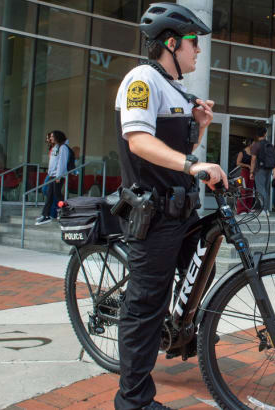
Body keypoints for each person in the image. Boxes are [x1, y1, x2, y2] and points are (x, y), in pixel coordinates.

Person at [112, 4, 226, 409]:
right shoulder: (141, 80)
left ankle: (179, 332)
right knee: (145, 305)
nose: (198, 50)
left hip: (181, 210)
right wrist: (196, 164)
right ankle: (133, 400)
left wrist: (200, 131)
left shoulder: (175, 89)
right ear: (172, 43)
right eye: (194, 42)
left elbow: (174, 153)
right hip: (153, 214)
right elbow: (139, 143)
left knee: (199, 273)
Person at [36, 130, 70, 225]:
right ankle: (46, 215)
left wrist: (58, 176)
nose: (50, 138)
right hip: (52, 175)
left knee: (57, 195)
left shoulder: (63, 148)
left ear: (57, 137)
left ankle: (66, 211)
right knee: (50, 195)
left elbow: (61, 163)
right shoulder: (56, 147)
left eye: (52, 136)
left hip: (57, 176)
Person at [249, 126, 273, 216]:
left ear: (257, 135)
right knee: (265, 189)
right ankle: (266, 210)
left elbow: (253, 159)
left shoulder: (256, 145)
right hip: (268, 169)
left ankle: (264, 209)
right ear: (265, 134)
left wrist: (251, 171)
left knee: (260, 189)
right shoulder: (269, 144)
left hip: (259, 169)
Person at [235, 139, 254, 213]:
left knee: (250, 191)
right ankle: (241, 209)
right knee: (243, 190)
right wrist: (247, 165)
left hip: (251, 173)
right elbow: (238, 163)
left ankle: (248, 208)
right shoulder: (242, 152)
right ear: (250, 144)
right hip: (243, 172)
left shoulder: (253, 153)